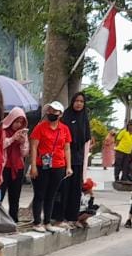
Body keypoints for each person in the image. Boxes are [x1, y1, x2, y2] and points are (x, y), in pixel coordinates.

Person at [28, 101, 73, 232]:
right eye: (50, 111)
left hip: (58, 165)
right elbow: (34, 146)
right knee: (39, 194)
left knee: (51, 194)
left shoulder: (64, 129)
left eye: (55, 111)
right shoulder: (40, 127)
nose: (51, 113)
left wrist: (68, 166)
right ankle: (37, 222)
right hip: (42, 164)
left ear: (60, 114)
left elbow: (67, 149)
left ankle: (47, 221)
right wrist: (33, 166)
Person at [59, 92, 92, 225]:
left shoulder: (84, 119)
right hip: (64, 159)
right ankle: (61, 217)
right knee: (64, 189)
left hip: (78, 159)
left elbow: (86, 140)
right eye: (76, 101)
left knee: (75, 189)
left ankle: (73, 217)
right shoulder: (66, 117)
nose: (79, 104)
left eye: (81, 101)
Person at [0, 107, 29, 223]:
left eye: (21, 122)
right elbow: (0, 146)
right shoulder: (2, 131)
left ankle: (13, 220)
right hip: (3, 167)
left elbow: (25, 153)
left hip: (18, 167)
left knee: (15, 196)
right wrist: (12, 139)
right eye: (16, 121)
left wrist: (22, 143)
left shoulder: (23, 134)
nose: (18, 125)